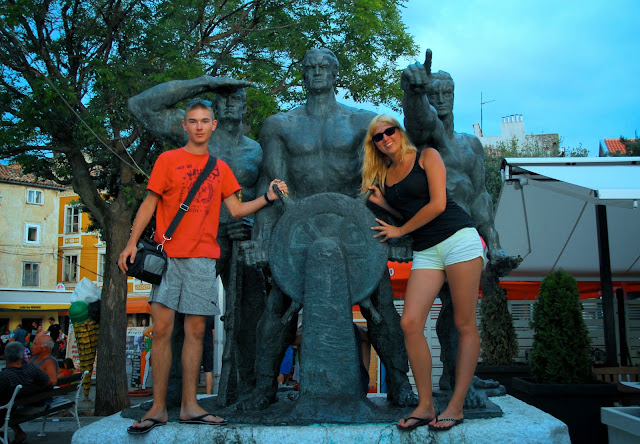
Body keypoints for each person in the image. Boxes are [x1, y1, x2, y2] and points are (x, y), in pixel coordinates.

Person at [242, 47, 416, 410]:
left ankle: (399, 383)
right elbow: (271, 186)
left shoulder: (363, 123)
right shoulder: (280, 125)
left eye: (324, 66)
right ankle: (265, 386)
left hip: (355, 233)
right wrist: (261, 238)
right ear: (302, 74)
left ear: (336, 74)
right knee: (277, 310)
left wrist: (400, 230)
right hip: (299, 235)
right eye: (310, 66)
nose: (318, 71)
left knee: (381, 306)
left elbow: (387, 180)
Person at [119, 97, 287, 434]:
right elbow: (149, 203)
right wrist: (130, 242)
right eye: (193, 121)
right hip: (168, 257)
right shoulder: (168, 160)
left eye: (204, 121)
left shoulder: (220, 168)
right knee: (163, 331)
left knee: (196, 332)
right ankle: (157, 407)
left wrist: (268, 197)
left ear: (212, 126)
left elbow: (236, 210)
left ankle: (190, 406)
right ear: (185, 125)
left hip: (202, 257)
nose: (199, 126)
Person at [129, 77, 265, 403]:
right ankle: (171, 397)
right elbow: (141, 106)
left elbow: (259, 195)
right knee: (176, 321)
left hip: (240, 240)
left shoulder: (256, 150)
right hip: (192, 242)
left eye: (236, 98)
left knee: (251, 316)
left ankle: (246, 391)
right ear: (213, 107)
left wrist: (253, 225)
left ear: (244, 108)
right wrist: (206, 83)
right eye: (223, 97)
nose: (230, 102)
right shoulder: (195, 136)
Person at [362, 114, 483, 432]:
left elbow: (438, 204)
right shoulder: (386, 175)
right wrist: (385, 206)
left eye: (390, 131)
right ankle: (426, 405)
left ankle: (456, 406)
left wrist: (400, 230)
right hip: (427, 248)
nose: (386, 138)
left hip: (458, 239)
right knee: (410, 323)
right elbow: (412, 210)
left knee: (464, 324)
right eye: (378, 136)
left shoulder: (427, 156)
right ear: (374, 144)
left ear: (399, 132)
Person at [0, 342, 51, 444]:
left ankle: (6, 436)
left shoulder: (6, 376)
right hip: (28, 404)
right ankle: (18, 433)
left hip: (10, 409)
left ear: (5, 356)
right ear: (21, 356)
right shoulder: (31, 369)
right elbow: (47, 381)